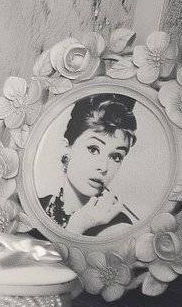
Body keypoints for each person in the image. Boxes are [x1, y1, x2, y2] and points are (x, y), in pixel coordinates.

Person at [39, 93, 140, 237]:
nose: (104, 167)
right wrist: (77, 226)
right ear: (66, 148)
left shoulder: (118, 229)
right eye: (93, 149)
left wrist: (77, 228)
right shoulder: (37, 206)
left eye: (116, 157)